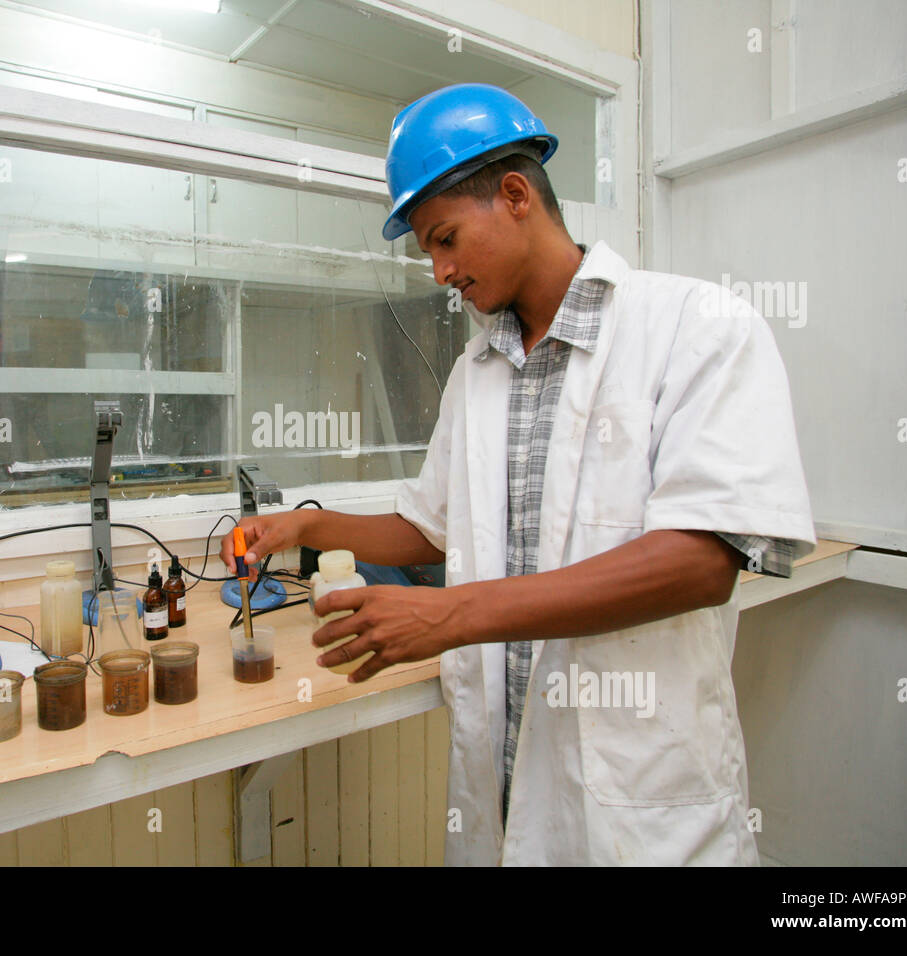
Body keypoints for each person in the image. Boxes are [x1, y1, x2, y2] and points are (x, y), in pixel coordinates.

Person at [220, 83, 816, 866]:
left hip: (637, 798)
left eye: (445, 239)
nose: (438, 272)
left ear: (514, 196)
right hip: (499, 786)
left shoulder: (695, 327)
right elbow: (432, 527)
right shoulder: (479, 371)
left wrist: (452, 617)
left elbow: (701, 563)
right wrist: (305, 525)